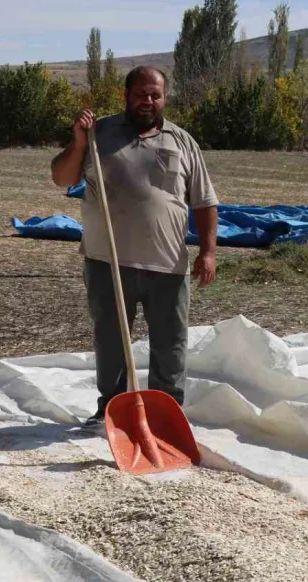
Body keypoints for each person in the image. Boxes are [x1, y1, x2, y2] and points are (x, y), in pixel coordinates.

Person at [50, 66, 219, 426]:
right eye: (141, 94)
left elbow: (204, 202)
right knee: (111, 343)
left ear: (165, 98)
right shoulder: (100, 134)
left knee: (170, 346)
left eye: (155, 95)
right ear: (126, 95)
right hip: (108, 261)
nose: (148, 101)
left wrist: (208, 251)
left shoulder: (183, 141)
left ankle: (166, 416)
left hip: (168, 264)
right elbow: (62, 177)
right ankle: (110, 412)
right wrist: (80, 142)